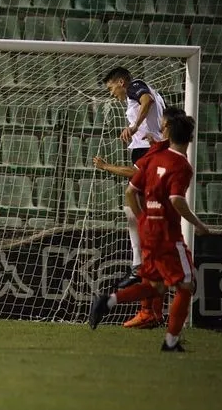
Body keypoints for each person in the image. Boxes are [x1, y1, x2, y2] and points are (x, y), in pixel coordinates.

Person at [89, 114, 209, 352]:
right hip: (167, 233)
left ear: (167, 133)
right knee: (187, 285)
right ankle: (171, 342)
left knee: (156, 286)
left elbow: (129, 193)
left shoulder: (153, 158)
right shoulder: (182, 166)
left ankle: (109, 300)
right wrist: (198, 224)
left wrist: (143, 218)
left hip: (148, 229)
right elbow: (176, 199)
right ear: (191, 138)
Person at [99, 67, 166, 328]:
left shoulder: (136, 87)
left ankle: (139, 269)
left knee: (140, 213)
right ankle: (149, 307)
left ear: (121, 81)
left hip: (147, 151)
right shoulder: (141, 99)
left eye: (111, 87)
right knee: (133, 210)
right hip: (148, 150)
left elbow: (146, 101)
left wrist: (134, 126)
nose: (112, 93)